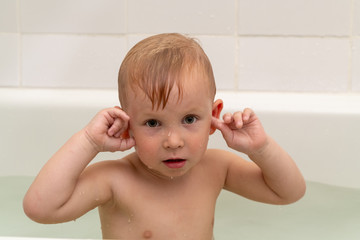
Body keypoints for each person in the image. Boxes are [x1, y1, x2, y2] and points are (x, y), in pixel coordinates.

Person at [23, 33, 306, 239]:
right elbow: (40, 208)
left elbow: (289, 192)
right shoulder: (115, 180)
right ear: (127, 124)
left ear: (213, 116)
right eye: (152, 123)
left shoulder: (217, 168)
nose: (173, 141)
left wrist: (260, 148)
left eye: (190, 119)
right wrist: (88, 142)